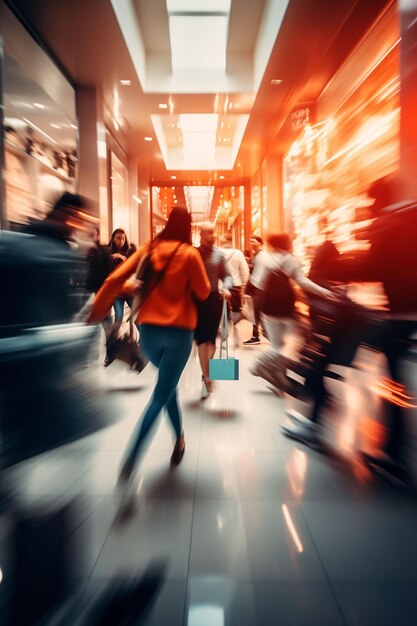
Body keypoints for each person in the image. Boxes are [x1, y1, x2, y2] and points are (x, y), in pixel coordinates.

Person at [88, 206, 210, 485]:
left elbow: (115, 278)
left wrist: (97, 309)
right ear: (188, 227)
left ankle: (179, 440)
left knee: (167, 390)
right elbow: (203, 292)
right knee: (160, 395)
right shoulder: (190, 254)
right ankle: (131, 458)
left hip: (149, 333)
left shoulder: (148, 249)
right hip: (179, 333)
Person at [358, 176, 417, 483]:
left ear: (376, 199)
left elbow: (372, 268)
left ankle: (395, 454)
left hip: (399, 313)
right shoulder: (410, 216)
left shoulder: (387, 222)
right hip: (411, 313)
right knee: (393, 376)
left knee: (392, 381)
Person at [250, 233, 336, 385]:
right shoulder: (290, 260)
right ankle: (257, 364)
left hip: (267, 307)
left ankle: (279, 377)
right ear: (286, 244)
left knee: (277, 345)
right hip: (285, 307)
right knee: (292, 344)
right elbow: (302, 282)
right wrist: (324, 292)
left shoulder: (264, 258)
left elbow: (255, 282)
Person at [195, 223, 233, 399]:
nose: (213, 235)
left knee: (211, 341)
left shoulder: (219, 254)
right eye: (209, 233)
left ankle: (207, 373)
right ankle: (207, 377)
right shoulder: (193, 253)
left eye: (213, 232)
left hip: (214, 301)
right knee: (202, 339)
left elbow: (227, 275)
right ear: (201, 234)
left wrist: (226, 287)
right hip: (196, 301)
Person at [218, 233, 250, 347]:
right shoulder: (238, 253)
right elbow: (245, 272)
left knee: (221, 312)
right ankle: (235, 337)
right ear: (231, 242)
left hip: (220, 288)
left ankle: (223, 336)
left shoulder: (217, 252)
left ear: (222, 241)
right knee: (235, 312)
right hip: (235, 288)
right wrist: (243, 285)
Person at [243, 235, 269, 345]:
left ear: (260, 243)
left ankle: (258, 336)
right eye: (250, 241)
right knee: (258, 312)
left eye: (254, 241)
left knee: (256, 312)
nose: (251, 243)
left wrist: (248, 286)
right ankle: (262, 334)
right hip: (260, 288)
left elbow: (258, 274)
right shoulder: (259, 255)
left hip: (259, 288)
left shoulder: (262, 256)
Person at [108, 228, 135, 324]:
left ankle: (141, 338)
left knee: (136, 315)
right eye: (118, 238)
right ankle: (114, 338)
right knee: (118, 316)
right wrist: (113, 256)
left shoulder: (130, 250)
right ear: (113, 238)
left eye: (123, 238)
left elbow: (134, 267)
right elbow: (106, 270)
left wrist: (123, 259)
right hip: (116, 291)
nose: (121, 241)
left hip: (128, 289)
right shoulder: (108, 251)